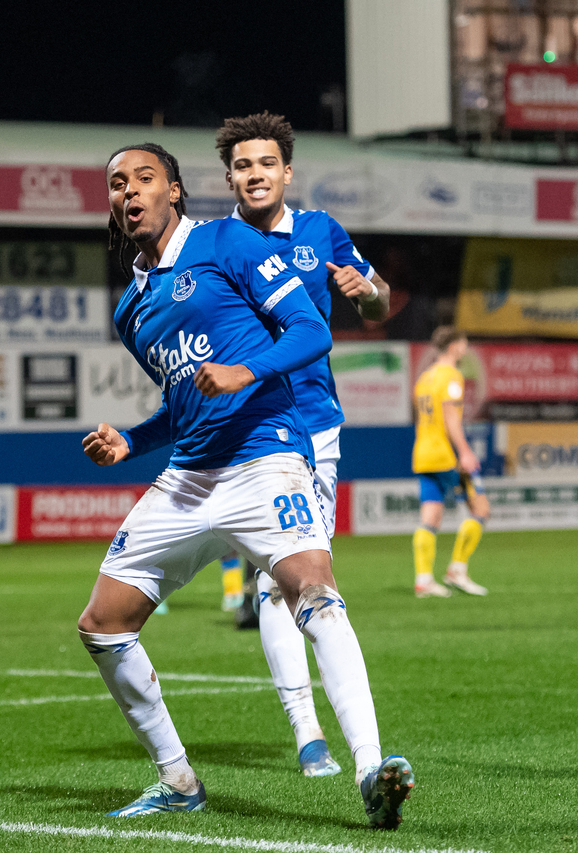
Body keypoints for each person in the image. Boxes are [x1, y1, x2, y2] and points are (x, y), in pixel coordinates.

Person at [78, 142, 414, 827]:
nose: (130, 191)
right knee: (103, 624)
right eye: (118, 184)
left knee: (313, 591)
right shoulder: (131, 311)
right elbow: (185, 400)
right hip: (189, 477)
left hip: (266, 457)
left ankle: (371, 767)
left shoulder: (227, 240)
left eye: (145, 178)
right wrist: (133, 441)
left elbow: (310, 330)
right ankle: (177, 778)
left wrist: (247, 370)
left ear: (174, 190)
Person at [213, 110, 393, 776]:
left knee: (303, 580)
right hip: (253, 431)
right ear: (229, 177)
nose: (255, 174)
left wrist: (366, 292)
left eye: (266, 163)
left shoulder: (321, 232)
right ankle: (308, 730)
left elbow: (379, 303)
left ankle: (323, 738)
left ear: (287, 172)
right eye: (242, 165)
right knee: (277, 577)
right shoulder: (213, 245)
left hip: (317, 423)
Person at [411, 326, 490, 598]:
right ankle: (457, 569)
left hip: (423, 453)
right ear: (455, 345)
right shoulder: (452, 377)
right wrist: (465, 452)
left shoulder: (425, 377)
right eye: (464, 342)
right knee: (480, 510)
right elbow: (451, 420)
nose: (465, 348)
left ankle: (423, 580)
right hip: (445, 454)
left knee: (430, 517)